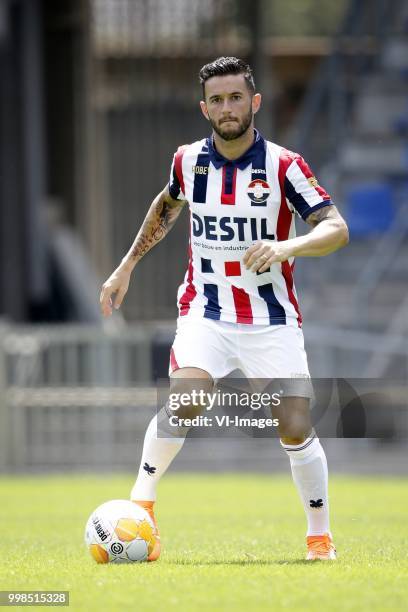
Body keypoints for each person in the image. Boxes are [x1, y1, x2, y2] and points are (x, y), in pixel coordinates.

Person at [100, 57, 349, 561]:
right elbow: (167, 205)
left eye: (236, 97)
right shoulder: (188, 161)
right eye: (217, 100)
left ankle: (319, 537)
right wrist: (126, 265)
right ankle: (141, 509)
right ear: (204, 108)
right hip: (206, 311)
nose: (227, 107)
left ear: (254, 102)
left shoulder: (284, 165)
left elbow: (336, 228)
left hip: (270, 318)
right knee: (186, 398)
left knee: (295, 425)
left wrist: (286, 247)